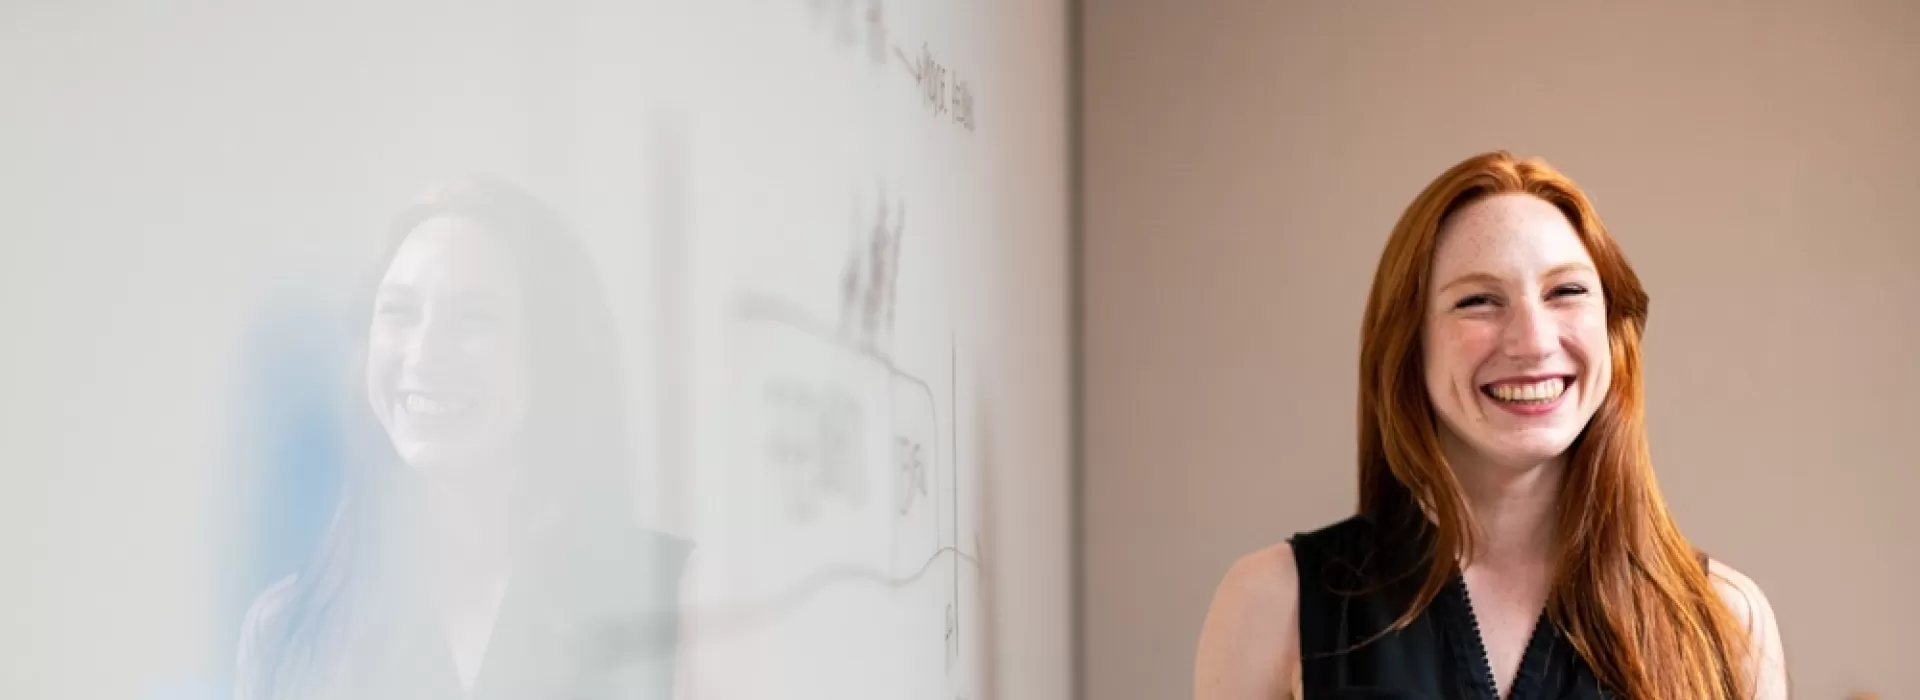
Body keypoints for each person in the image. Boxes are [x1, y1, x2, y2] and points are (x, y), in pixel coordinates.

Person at [1193, 152, 1788, 700]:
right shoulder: (1275, 606)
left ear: (1612, 331)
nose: (1534, 342)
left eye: (1567, 291)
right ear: (1409, 346)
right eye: (1478, 300)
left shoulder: (1725, 621)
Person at [234, 176, 693, 700]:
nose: (425, 353)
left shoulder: (681, 604)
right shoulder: (284, 632)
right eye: (399, 311)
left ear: (555, 355)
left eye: (474, 319)